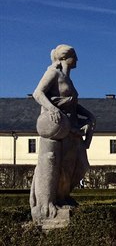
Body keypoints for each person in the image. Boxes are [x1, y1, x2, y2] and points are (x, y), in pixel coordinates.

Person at [30, 44, 96, 222]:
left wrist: (89, 115)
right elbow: (38, 93)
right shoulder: (53, 73)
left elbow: (72, 103)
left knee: (79, 166)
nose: (77, 60)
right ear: (65, 57)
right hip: (55, 127)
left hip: (71, 128)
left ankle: (63, 196)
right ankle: (48, 203)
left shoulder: (69, 80)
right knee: (52, 161)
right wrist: (52, 109)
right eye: (75, 56)